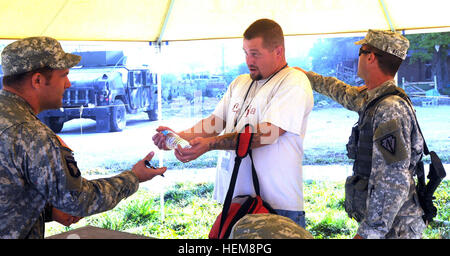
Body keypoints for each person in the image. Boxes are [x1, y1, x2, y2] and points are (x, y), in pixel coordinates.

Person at [0, 36, 167, 239]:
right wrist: (133, 177)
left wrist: (47, 211)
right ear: (37, 80)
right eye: (64, 75)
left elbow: (8, 199)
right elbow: (78, 200)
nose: (68, 84)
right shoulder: (30, 133)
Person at [153, 19, 314, 228]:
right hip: (236, 202)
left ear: (278, 51)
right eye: (245, 52)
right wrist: (179, 137)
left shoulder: (293, 82)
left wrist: (210, 144)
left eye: (255, 53)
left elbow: (266, 134)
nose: (248, 60)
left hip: (276, 206)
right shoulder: (240, 82)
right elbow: (214, 123)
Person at [299, 29, 426, 238]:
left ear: (370, 56)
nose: (358, 56)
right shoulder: (375, 98)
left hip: (395, 230)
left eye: (361, 51)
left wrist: (368, 233)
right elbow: (342, 91)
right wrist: (306, 77)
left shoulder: (389, 109)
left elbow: (393, 180)